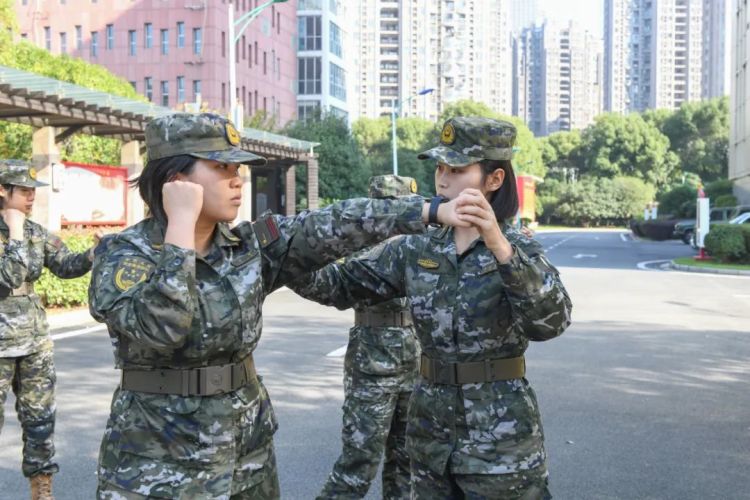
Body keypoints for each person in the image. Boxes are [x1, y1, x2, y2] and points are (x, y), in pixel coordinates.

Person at [87, 113, 471, 499]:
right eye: (221, 167)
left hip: (247, 455)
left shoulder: (249, 247)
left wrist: (428, 211)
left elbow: (331, 223)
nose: (237, 179)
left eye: (237, 168)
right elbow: (163, 327)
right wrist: (181, 227)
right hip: (158, 463)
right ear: (176, 181)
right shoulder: (123, 255)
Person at [280, 117, 573, 499]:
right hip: (430, 435)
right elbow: (338, 285)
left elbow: (550, 322)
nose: (443, 179)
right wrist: (284, 258)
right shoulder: (418, 248)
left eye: (457, 169)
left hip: (501, 440)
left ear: (495, 179)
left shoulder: (519, 249)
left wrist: (500, 247)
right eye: (440, 168)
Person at [290, 175, 420, 499]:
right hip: (373, 367)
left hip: (418, 365)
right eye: (395, 206)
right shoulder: (362, 246)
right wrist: (289, 262)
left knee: (408, 464)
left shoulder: (423, 243)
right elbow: (331, 286)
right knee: (357, 467)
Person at [0, 160, 100, 500]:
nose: (31, 197)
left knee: (40, 419)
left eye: (33, 191)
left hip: (34, 343)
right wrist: (14, 231)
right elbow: (9, 277)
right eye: (24, 191)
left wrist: (92, 254)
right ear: (3, 190)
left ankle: (42, 488)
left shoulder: (36, 232)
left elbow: (65, 266)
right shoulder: (21, 231)